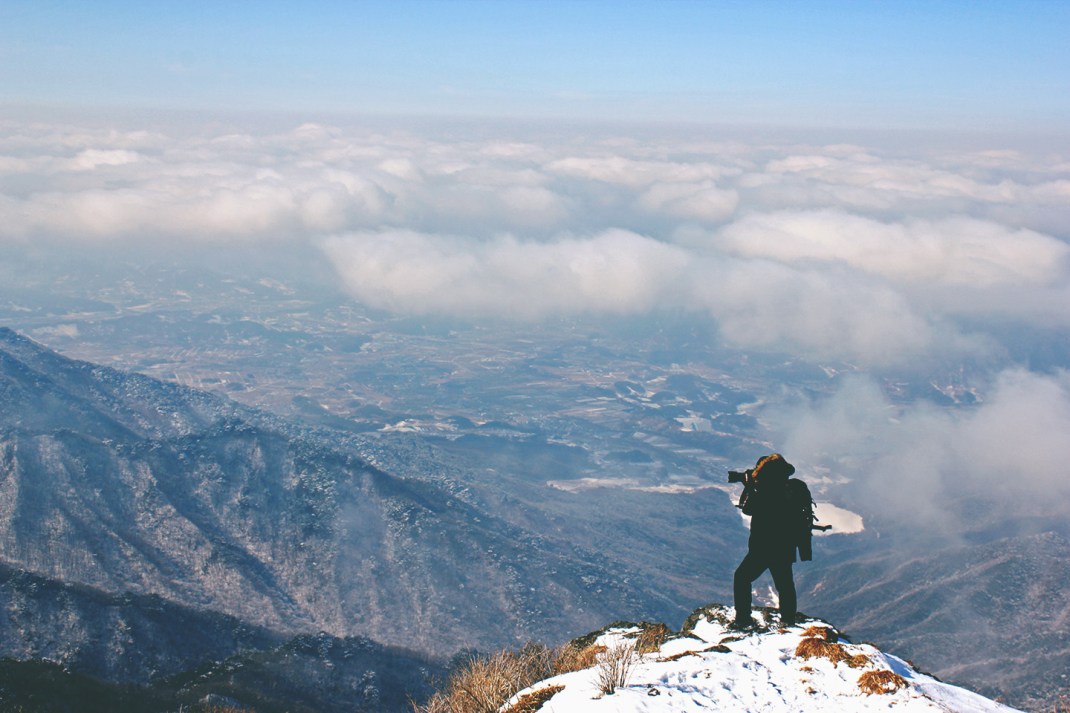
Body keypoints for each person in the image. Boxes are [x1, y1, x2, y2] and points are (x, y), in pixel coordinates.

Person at [732, 453, 799, 629]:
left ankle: (743, 619)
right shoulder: (788, 488)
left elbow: (748, 509)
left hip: (763, 546)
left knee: (741, 577)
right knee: (785, 584)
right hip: (785, 545)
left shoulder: (766, 490)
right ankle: (788, 620)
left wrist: (750, 486)